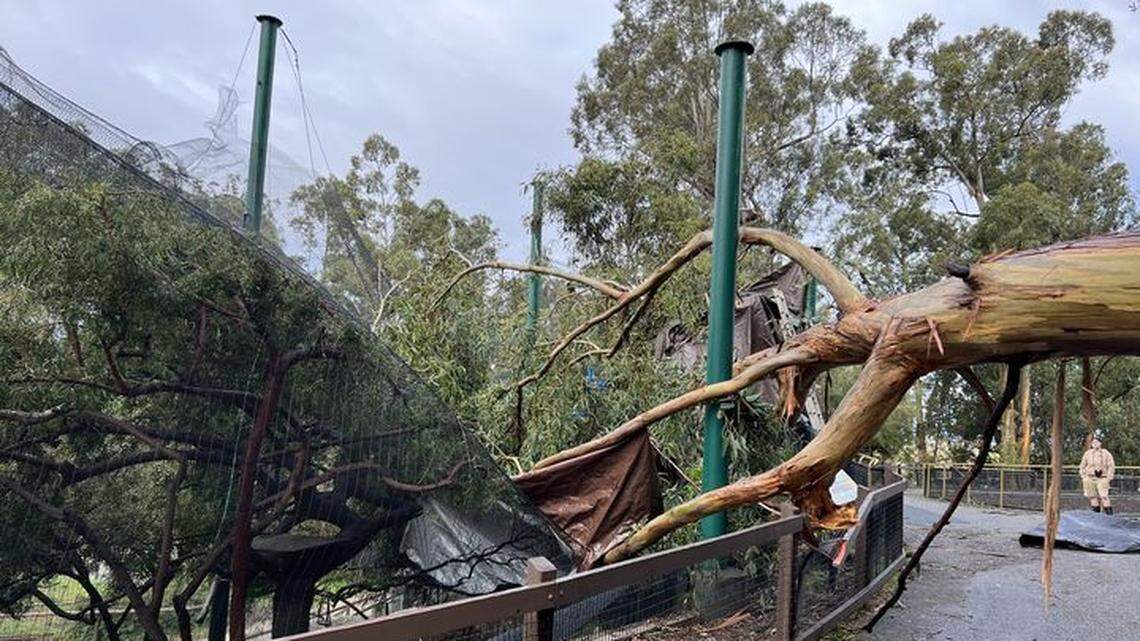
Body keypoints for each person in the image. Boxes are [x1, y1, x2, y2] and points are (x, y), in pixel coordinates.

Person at [1079, 437, 1116, 515]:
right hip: (1090, 477)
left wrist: (1108, 478)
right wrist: (1084, 476)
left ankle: (1109, 517)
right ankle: (1096, 517)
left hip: (1103, 478)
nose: (1095, 444)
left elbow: (1111, 466)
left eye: (1097, 442)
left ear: (1100, 443)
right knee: (1092, 497)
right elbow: (1082, 466)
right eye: (1093, 442)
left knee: (1104, 497)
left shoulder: (1106, 453)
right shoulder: (1088, 453)